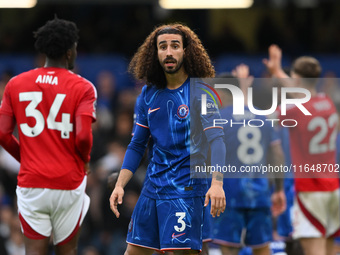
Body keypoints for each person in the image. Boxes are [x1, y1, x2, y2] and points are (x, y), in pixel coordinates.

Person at [109, 23, 226, 255]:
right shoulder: (148, 94)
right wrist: (120, 184)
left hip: (188, 188)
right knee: (132, 251)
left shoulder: (201, 92)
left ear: (186, 51)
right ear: (156, 53)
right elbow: (136, 144)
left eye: (175, 46)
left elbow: (218, 141)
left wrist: (218, 183)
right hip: (153, 188)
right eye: (163, 47)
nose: (169, 52)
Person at [0, 17, 97, 255]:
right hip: (68, 181)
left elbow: (3, 134)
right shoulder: (83, 87)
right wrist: (84, 159)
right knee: (68, 251)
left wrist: (27, 158)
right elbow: (83, 137)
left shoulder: (15, 84)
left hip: (32, 182)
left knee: (34, 252)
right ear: (68, 52)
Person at [263, 44, 340, 255]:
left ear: (296, 80)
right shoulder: (327, 102)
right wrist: (278, 72)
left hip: (310, 190)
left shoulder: (293, 110)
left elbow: (262, 121)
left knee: (313, 251)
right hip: (333, 188)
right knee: (329, 248)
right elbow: (303, 92)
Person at [212, 64, 286, 255]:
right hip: (259, 193)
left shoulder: (218, 119)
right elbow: (277, 156)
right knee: (262, 248)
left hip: (229, 194)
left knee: (229, 247)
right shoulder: (263, 117)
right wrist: (278, 189)